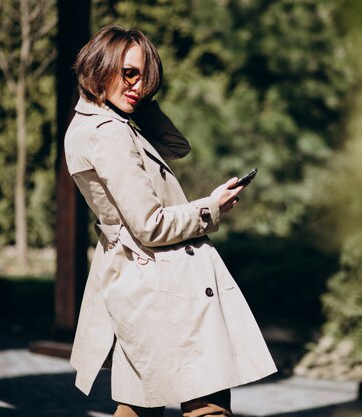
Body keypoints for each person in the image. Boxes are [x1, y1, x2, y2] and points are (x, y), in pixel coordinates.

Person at [64, 24, 277, 417]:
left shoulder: (96, 123)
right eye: (129, 73)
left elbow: (178, 146)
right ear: (100, 66)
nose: (138, 84)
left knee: (142, 404)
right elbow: (150, 225)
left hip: (140, 283)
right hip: (164, 285)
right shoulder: (109, 133)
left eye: (145, 77)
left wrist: (135, 99)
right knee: (207, 403)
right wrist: (210, 208)